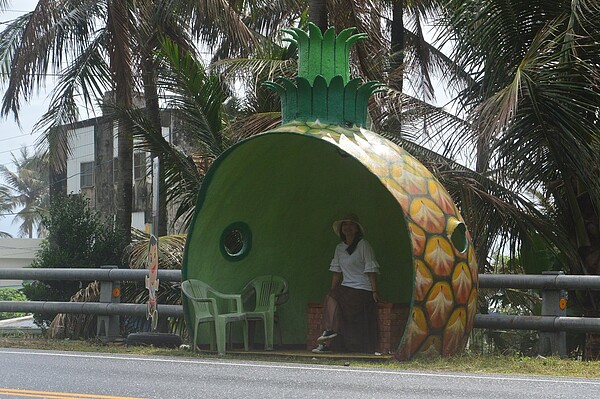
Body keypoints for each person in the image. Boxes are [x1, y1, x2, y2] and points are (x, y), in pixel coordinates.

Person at [312, 213, 380, 354]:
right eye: (345, 224)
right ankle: (328, 338)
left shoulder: (363, 245)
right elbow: (336, 272)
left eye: (351, 224)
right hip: (346, 287)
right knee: (331, 297)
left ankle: (328, 338)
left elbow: (371, 269)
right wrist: (333, 292)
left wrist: (374, 291)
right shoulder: (339, 248)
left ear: (357, 229)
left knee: (334, 298)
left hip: (362, 289)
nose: (347, 227)